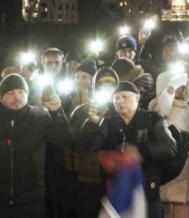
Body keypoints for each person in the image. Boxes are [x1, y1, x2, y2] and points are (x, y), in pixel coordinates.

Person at [83, 81, 178, 218]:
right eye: (116, 98)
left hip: (147, 194)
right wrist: (93, 123)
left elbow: (170, 147)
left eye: (125, 96)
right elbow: (90, 145)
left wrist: (139, 151)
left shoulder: (152, 119)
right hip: (117, 195)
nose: (120, 101)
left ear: (137, 97)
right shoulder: (109, 123)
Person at [0, 74, 71, 218]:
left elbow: (62, 140)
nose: (16, 97)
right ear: (1, 97)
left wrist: (57, 113)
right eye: (10, 93)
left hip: (32, 199)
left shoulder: (40, 116)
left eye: (21, 92)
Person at [148, 70, 189, 218]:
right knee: (165, 206)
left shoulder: (186, 108)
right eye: (176, 85)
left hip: (184, 164)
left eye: (181, 86)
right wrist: (170, 89)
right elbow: (162, 109)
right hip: (166, 165)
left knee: (182, 206)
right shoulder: (156, 105)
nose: (179, 89)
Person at [69, 67, 118, 218]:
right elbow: (76, 142)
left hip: (116, 179)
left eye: (110, 84)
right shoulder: (82, 111)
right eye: (102, 83)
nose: (106, 88)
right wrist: (92, 123)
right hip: (89, 179)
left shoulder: (121, 110)